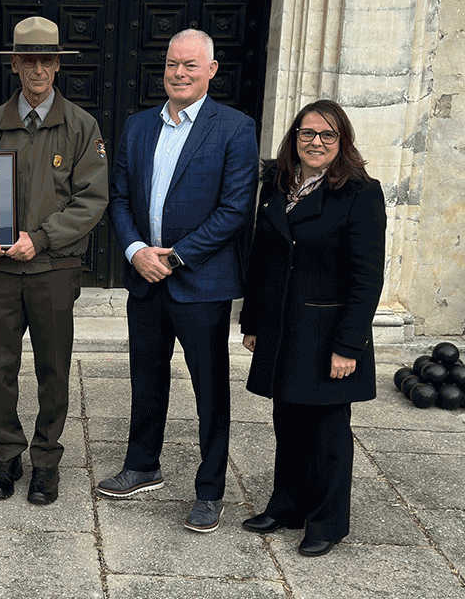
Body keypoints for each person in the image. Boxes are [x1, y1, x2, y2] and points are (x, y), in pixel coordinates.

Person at [97, 28, 258, 533]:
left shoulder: (234, 128)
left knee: (211, 391)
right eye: (172, 64)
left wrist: (178, 257)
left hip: (201, 283)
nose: (180, 73)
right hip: (145, 278)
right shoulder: (140, 126)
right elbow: (119, 197)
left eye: (191, 65)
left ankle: (209, 491)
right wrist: (135, 250)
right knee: (146, 378)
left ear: (212, 70)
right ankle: (143, 465)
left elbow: (235, 209)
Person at [0, 16, 108, 506]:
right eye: (29, 60)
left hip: (53, 270)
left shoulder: (81, 126)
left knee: (54, 368)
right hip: (0, 273)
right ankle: (7, 455)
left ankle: (46, 460)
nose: (38, 69)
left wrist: (41, 239)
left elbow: (92, 200)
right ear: (15, 65)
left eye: (47, 60)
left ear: (57, 65)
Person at [239, 100, 385, 557]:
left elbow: (368, 276)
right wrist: (253, 321)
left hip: (328, 334)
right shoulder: (279, 185)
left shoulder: (360, 192)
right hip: (283, 329)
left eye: (327, 135)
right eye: (307, 134)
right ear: (294, 138)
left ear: (342, 142)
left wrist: (349, 345)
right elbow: (262, 260)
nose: (315, 142)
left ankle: (326, 521)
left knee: (327, 433)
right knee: (288, 423)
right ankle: (286, 506)